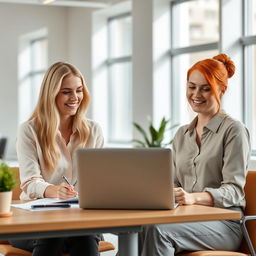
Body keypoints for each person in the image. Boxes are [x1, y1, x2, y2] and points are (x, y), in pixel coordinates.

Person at [139, 54, 251, 256]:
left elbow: (234, 191)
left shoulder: (233, 130)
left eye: (205, 88)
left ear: (221, 90)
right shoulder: (182, 134)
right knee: (138, 228)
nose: (196, 94)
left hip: (224, 224)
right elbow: (172, 184)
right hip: (184, 219)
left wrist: (193, 198)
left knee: (158, 231)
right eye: (192, 87)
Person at [9, 62, 104, 256]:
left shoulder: (93, 130)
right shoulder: (29, 130)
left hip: (79, 219)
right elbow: (29, 182)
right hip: (32, 221)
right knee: (54, 233)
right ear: (51, 94)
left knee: (83, 234)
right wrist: (53, 190)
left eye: (79, 90)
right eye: (66, 92)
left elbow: (100, 180)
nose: (75, 98)